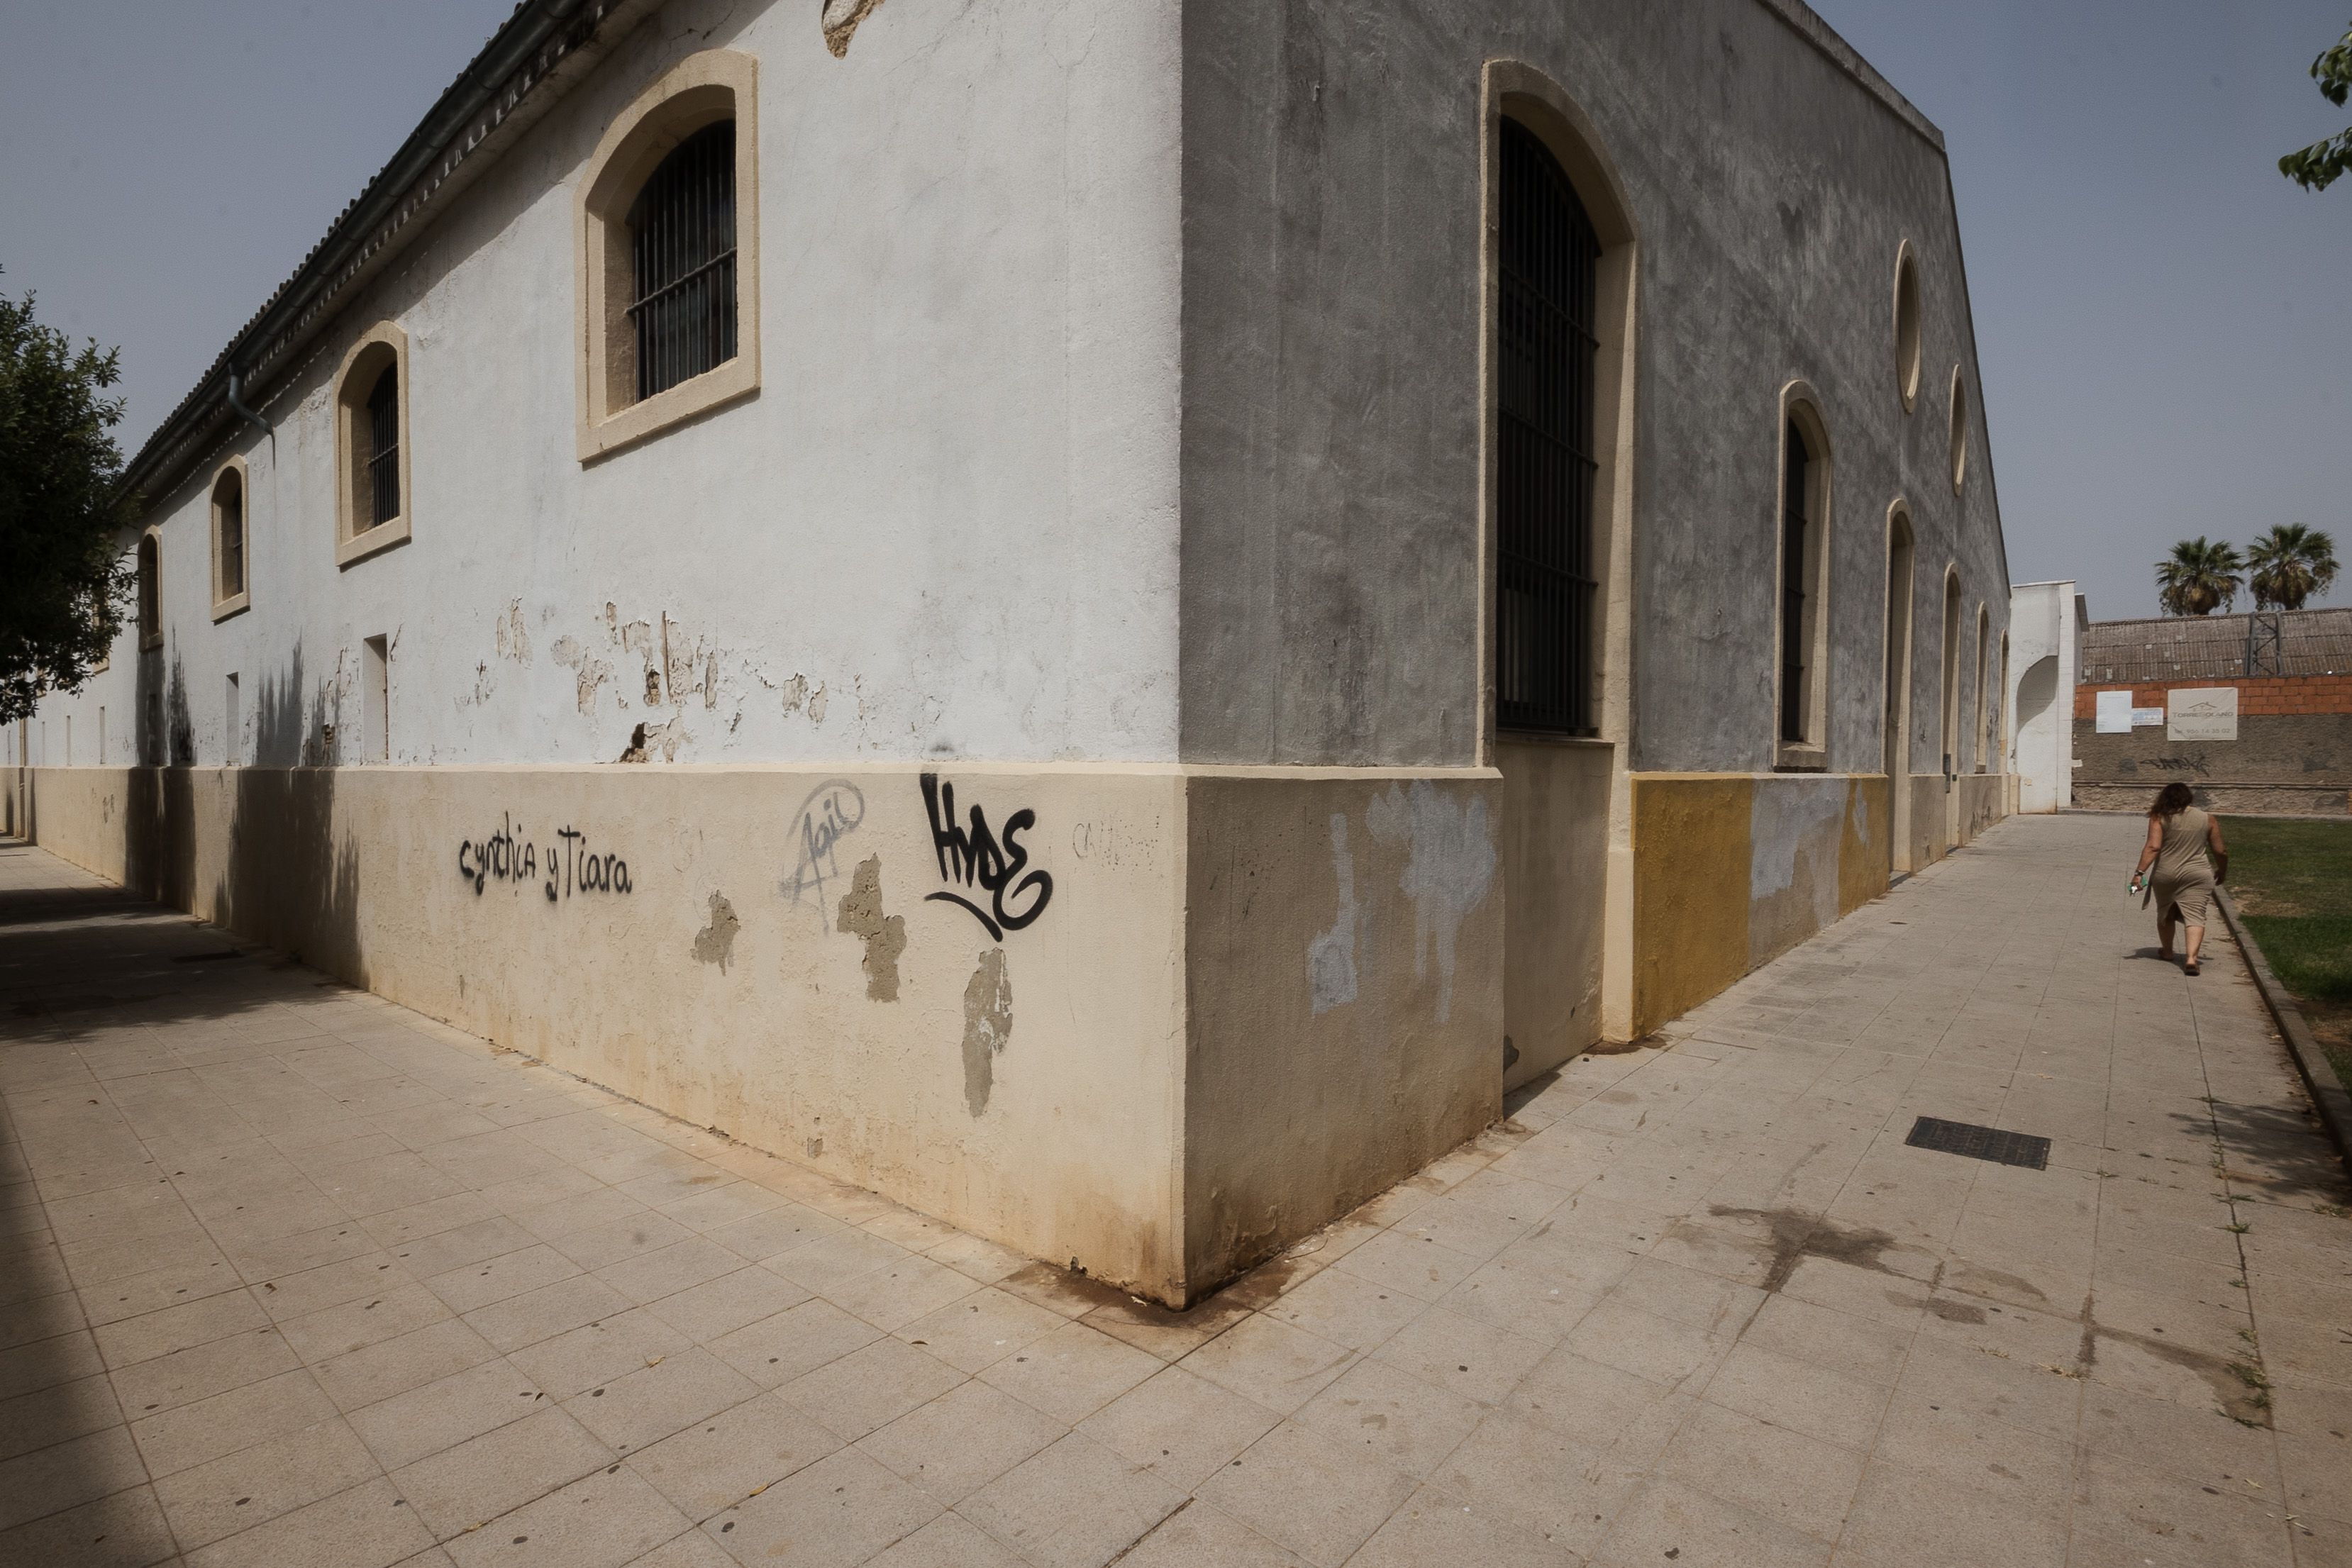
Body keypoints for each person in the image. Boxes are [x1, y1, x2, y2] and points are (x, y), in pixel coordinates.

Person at [2129, 782, 2227, 974]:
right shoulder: (2208, 819)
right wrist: (2222, 871)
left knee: (2166, 912)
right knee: (2196, 915)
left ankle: (2167, 951)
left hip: (2167, 874)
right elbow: (2220, 851)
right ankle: (2191, 958)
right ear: (2188, 798)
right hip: (2198, 874)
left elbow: (2153, 847)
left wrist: (2139, 874)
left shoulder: (2159, 817)